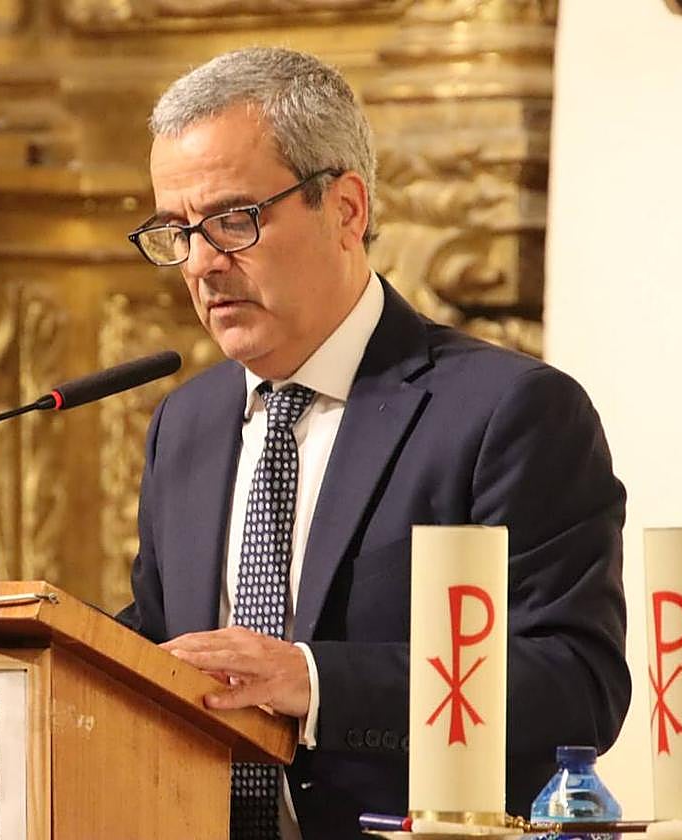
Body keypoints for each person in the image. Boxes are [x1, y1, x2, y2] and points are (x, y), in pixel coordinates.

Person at [116, 47, 629, 840]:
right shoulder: (185, 423)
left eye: (233, 219)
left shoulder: (507, 413)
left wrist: (313, 680)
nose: (203, 264)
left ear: (346, 210)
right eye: (176, 232)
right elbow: (162, 642)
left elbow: (578, 685)